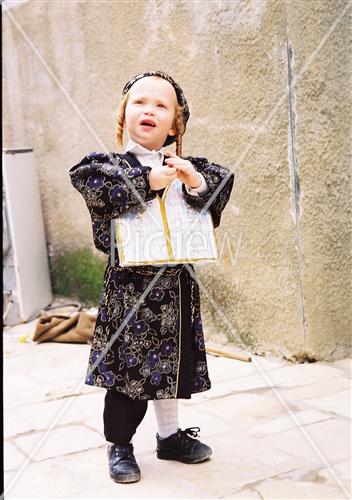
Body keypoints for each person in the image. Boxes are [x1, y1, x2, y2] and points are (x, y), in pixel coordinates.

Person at [69, 71, 234, 483]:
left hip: (176, 288)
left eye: (162, 106)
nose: (149, 110)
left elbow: (219, 184)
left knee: (173, 365)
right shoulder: (107, 167)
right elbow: (92, 185)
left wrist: (192, 182)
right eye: (140, 102)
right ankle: (119, 445)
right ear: (124, 114)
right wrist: (147, 181)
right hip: (130, 293)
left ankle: (169, 436)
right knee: (129, 372)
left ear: (175, 124)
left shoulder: (187, 168)